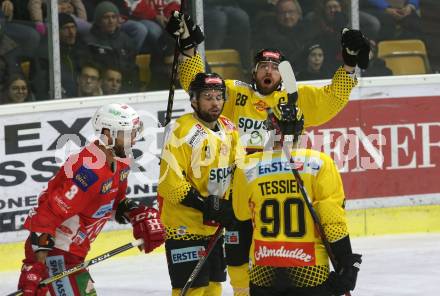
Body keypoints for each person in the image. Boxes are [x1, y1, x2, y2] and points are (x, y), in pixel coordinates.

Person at [165, 11, 369, 296]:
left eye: (274, 66)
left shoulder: (295, 100)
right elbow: (198, 84)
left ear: (282, 73)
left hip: (279, 189)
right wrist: (187, 48)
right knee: (237, 263)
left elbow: (332, 98)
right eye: (263, 65)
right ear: (254, 71)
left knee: (269, 260)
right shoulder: (237, 95)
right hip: (240, 192)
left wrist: (348, 67)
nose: (268, 71)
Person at [16, 103, 166, 296]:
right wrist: (35, 266)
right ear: (107, 134)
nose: (134, 139)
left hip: (73, 253)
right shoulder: (90, 171)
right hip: (56, 254)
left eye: (135, 132)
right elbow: (48, 213)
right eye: (128, 134)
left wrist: (135, 213)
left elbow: (115, 202)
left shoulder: (121, 161)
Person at [231, 101, 362, 296]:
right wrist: (346, 262)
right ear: (302, 130)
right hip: (310, 270)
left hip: (263, 270)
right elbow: (332, 223)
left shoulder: (247, 166)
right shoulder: (320, 163)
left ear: (269, 129)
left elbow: (241, 215)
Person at [157, 72, 244, 296]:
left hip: (214, 226)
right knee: (193, 291)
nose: (215, 102)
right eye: (208, 97)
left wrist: (231, 203)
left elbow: (240, 170)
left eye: (218, 96)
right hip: (184, 227)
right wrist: (205, 205)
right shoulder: (182, 131)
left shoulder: (229, 127)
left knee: (214, 288)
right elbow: (170, 184)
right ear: (194, 100)